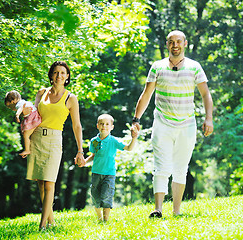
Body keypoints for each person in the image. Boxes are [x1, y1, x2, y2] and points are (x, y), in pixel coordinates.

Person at [132, 30, 214, 218]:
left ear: (185, 43)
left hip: (187, 124)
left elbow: (205, 94)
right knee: (161, 167)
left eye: (178, 41)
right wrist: (136, 119)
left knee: (180, 168)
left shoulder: (195, 67)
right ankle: (158, 209)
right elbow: (146, 95)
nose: (175, 45)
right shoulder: (157, 67)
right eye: (171, 42)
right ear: (167, 44)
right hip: (162, 122)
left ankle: (176, 211)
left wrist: (208, 118)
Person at [23, 61, 84, 230]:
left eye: (63, 72)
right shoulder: (42, 92)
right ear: (51, 75)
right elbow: (33, 115)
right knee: (41, 183)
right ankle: (51, 222)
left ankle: (42, 226)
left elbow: (76, 125)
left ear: (67, 76)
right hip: (36, 139)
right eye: (56, 72)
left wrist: (80, 150)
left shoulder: (71, 98)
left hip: (54, 140)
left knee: (50, 183)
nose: (59, 75)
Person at [76, 114, 138, 222]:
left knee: (106, 196)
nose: (104, 126)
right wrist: (85, 161)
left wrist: (134, 138)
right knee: (95, 197)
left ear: (112, 127)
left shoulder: (114, 141)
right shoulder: (94, 141)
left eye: (107, 124)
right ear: (97, 126)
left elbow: (129, 148)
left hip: (109, 173)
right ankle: (100, 219)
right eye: (101, 124)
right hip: (96, 173)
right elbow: (94, 155)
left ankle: (106, 220)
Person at [5, 90, 42, 158]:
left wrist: (17, 115)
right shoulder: (24, 101)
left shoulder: (18, 104)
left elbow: (20, 108)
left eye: (10, 106)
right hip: (34, 116)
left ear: (13, 101)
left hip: (32, 118)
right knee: (27, 133)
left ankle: (27, 150)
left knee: (26, 134)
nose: (11, 109)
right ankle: (28, 148)